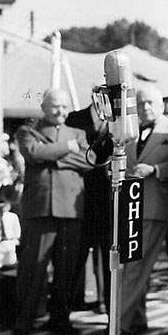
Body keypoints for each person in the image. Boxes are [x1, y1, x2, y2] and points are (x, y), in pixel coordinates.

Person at [9, 88, 94, 335]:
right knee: (32, 269)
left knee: (66, 270)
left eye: (65, 107)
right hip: (41, 209)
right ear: (44, 107)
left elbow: (89, 161)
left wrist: (55, 157)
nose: (61, 111)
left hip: (70, 208)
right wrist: (67, 149)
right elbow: (33, 153)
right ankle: (23, 323)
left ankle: (61, 319)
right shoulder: (28, 132)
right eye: (56, 106)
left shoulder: (79, 133)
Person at [118, 85, 168, 335]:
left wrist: (157, 170)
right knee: (131, 265)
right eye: (140, 104)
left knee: (135, 266)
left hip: (156, 205)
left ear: (161, 105)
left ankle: (119, 323)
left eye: (150, 103)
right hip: (130, 205)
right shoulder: (130, 131)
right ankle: (136, 319)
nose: (145, 108)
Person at [65, 97, 112, 314]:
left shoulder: (120, 122)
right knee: (74, 256)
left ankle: (108, 308)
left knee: (108, 259)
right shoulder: (74, 119)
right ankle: (66, 310)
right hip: (78, 199)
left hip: (108, 202)